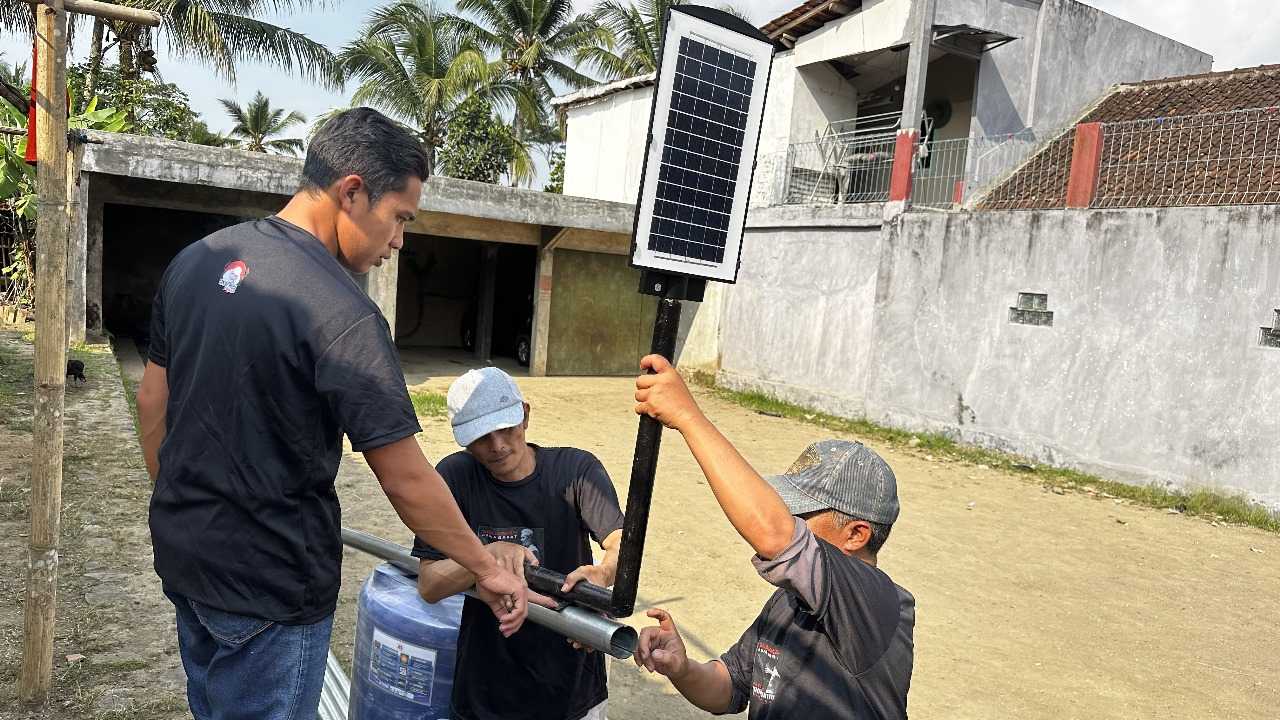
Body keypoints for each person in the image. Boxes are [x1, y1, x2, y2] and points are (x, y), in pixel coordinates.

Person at [135, 108, 530, 720]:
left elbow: (151, 400)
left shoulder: (197, 261)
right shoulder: (341, 312)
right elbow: (403, 476)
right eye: (399, 218)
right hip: (271, 588)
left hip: (187, 561)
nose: (399, 241)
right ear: (352, 192)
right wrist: (486, 566)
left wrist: (181, 499)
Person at [630, 355, 915, 719]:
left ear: (856, 535)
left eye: (802, 514)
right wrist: (683, 668)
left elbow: (775, 536)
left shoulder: (875, 603)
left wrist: (687, 416)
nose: (789, 521)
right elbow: (730, 687)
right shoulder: (791, 601)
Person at [412, 367, 626, 720]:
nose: (497, 446)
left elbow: (622, 543)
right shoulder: (455, 477)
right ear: (463, 439)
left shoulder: (575, 470)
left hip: (571, 684)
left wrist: (602, 573)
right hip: (484, 691)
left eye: (506, 429)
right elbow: (430, 584)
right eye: (482, 436)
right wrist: (485, 558)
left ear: (525, 414)